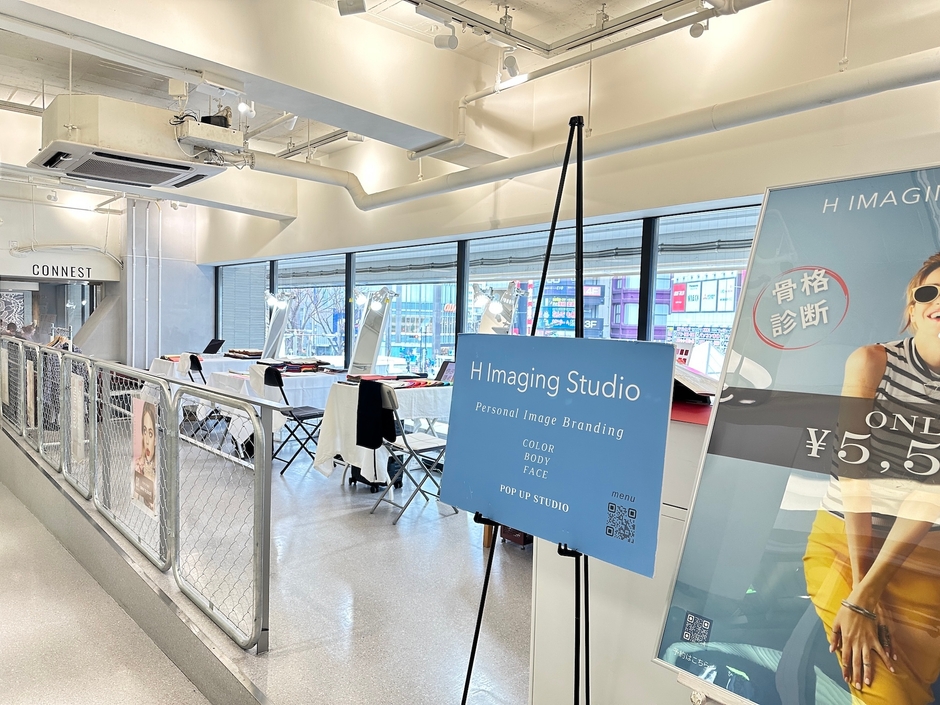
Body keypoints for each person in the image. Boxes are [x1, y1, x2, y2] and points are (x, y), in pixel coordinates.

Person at [803, 253, 940, 705]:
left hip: (920, 554)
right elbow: (853, 473)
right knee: (887, 690)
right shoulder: (871, 362)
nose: (939, 301)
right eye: (930, 292)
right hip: (843, 541)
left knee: (914, 676)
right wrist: (862, 595)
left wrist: (866, 596)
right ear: (912, 310)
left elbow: (930, 496)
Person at [132, 401, 157, 513]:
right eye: (144, 431)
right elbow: (135, 498)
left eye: (150, 434)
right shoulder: (139, 466)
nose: (146, 440)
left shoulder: (161, 470)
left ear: (156, 438)